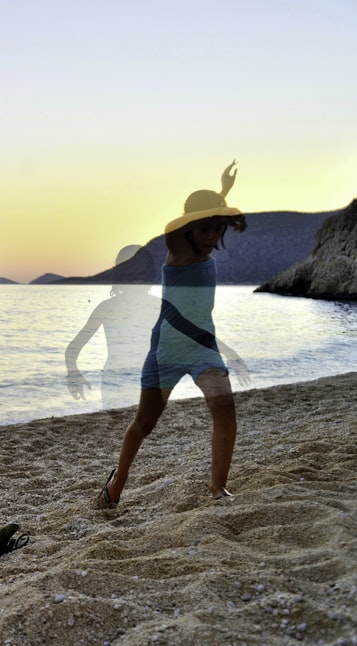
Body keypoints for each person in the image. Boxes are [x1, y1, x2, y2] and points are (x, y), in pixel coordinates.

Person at [97, 160, 250, 509]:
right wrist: (222, 201)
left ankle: (218, 487)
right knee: (144, 423)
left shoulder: (202, 247)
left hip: (203, 350)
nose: (212, 237)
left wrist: (223, 195)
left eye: (218, 229)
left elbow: (202, 223)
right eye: (205, 229)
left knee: (224, 407)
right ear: (191, 228)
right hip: (165, 351)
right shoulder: (178, 252)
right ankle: (116, 483)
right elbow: (175, 225)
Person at [65, 245, 162, 411]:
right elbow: (72, 349)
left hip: (139, 380)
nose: (137, 280)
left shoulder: (109, 307)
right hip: (127, 380)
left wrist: (73, 373)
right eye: (133, 275)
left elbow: (192, 336)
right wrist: (73, 373)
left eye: (141, 275)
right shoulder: (158, 306)